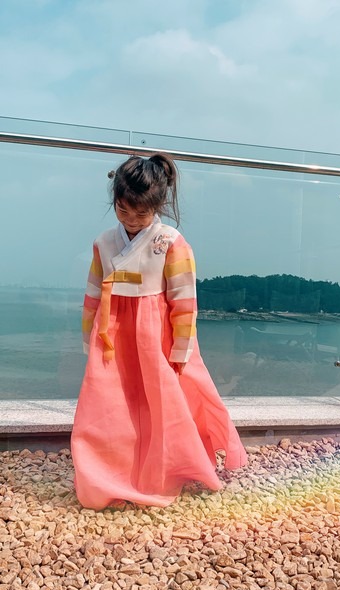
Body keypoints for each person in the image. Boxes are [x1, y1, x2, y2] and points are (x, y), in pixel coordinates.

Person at [71, 153, 247, 510]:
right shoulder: (104, 241)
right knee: (109, 404)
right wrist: (90, 333)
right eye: (123, 211)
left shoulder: (170, 241)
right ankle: (107, 470)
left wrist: (182, 348)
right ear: (115, 201)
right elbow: (92, 291)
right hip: (113, 333)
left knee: (161, 404)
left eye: (141, 213)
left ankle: (159, 470)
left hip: (155, 333)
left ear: (159, 206)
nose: (132, 220)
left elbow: (184, 299)